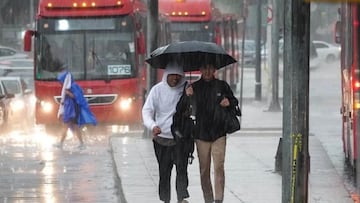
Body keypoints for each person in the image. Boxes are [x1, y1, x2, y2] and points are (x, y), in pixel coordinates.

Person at [184, 63, 238, 203]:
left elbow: (234, 101)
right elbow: (187, 109)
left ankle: (218, 199)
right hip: (201, 134)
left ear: (214, 70)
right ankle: (208, 199)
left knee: (219, 166)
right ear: (200, 69)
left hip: (219, 133)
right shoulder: (194, 87)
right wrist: (188, 96)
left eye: (210, 68)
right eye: (204, 68)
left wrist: (229, 102)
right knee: (204, 170)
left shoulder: (222, 85)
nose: (207, 71)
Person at [142, 63, 190, 203]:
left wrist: (190, 97)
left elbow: (194, 111)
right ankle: (165, 200)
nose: (175, 79)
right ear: (166, 75)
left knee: (182, 170)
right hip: (162, 139)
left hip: (181, 140)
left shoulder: (186, 90)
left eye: (178, 76)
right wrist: (152, 125)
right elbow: (147, 111)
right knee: (164, 172)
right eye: (172, 75)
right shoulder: (157, 90)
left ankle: (181, 198)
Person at [55, 64, 97, 149]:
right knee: (73, 126)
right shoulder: (67, 87)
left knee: (67, 125)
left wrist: (68, 93)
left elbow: (77, 97)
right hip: (69, 109)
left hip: (73, 110)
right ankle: (80, 143)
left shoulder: (74, 86)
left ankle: (61, 143)